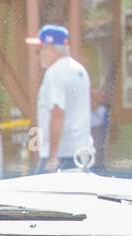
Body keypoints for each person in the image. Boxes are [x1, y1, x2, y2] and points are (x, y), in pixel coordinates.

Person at [25, 25, 93, 172]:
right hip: (82, 154)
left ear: (50, 48)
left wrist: (52, 157)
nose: (38, 55)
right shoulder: (80, 70)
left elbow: (57, 113)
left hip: (61, 157)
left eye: (40, 50)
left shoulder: (54, 73)